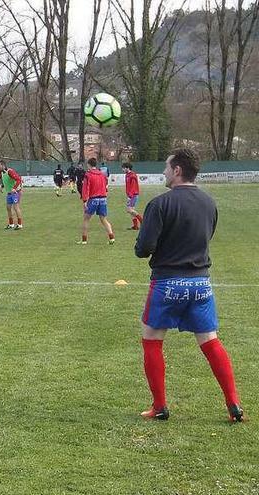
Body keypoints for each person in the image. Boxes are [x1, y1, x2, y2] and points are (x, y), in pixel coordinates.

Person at [135, 148, 243, 422]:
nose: (164, 172)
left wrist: (145, 237)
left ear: (178, 170)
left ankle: (160, 406)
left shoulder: (160, 204)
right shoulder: (209, 203)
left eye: (166, 167)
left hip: (167, 283)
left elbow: (144, 248)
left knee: (151, 339)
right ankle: (234, 406)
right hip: (201, 283)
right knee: (210, 341)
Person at [77, 158, 115, 245]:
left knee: (86, 219)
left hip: (93, 199)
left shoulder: (88, 174)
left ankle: (84, 240)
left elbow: (85, 188)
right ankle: (111, 237)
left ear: (89, 165)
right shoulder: (102, 174)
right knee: (103, 219)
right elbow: (105, 185)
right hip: (103, 199)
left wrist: (84, 200)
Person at [1, 162, 24, 230]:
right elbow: (7, 181)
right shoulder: (2, 173)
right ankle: (11, 224)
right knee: (8, 208)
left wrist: (14, 188)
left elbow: (18, 179)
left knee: (16, 207)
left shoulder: (10, 171)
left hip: (15, 192)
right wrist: (2, 187)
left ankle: (19, 224)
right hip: (9, 193)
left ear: (3, 165)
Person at [122, 163, 142, 230]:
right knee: (131, 211)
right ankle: (135, 226)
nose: (122, 169)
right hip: (131, 195)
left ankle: (142, 221)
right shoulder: (127, 175)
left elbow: (133, 187)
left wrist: (130, 196)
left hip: (133, 195)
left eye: (123, 168)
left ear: (127, 168)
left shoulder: (132, 175)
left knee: (129, 210)